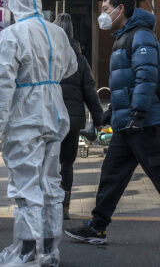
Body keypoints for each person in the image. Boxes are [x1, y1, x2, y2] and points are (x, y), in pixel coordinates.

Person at [65, 0, 160, 256]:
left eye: (105, 8)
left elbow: (146, 77)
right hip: (128, 124)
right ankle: (97, 227)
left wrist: (138, 113)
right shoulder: (124, 36)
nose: (103, 14)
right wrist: (113, 113)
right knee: (111, 175)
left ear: (120, 9)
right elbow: (127, 84)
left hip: (143, 124)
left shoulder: (141, 35)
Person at [0, 0, 77, 267]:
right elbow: (71, 66)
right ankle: (48, 249)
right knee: (50, 184)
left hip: (26, 115)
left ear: (14, 2)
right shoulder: (57, 32)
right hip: (55, 111)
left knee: (26, 187)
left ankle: (27, 252)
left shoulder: (11, 35)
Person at [53, 13, 104, 220]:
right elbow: (90, 92)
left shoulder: (48, 56)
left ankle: (49, 203)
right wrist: (99, 120)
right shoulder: (80, 60)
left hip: (50, 118)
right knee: (67, 164)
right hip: (73, 121)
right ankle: (64, 207)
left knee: (48, 163)